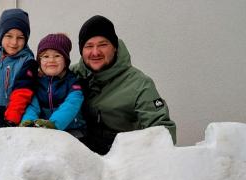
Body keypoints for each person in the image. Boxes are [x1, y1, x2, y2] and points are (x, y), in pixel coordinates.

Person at [72, 15, 176, 155]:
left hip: (122, 161)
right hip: (80, 158)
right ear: (82, 51)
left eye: (103, 45)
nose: (95, 52)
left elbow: (164, 131)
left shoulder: (139, 84)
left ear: (114, 47)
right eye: (89, 46)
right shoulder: (72, 76)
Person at [19, 33, 86, 137]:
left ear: (66, 61)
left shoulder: (73, 82)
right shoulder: (36, 83)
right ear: (39, 61)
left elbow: (71, 104)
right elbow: (32, 106)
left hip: (73, 131)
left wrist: (54, 124)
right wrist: (28, 122)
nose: (51, 60)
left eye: (57, 55)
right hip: (45, 131)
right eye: (46, 56)